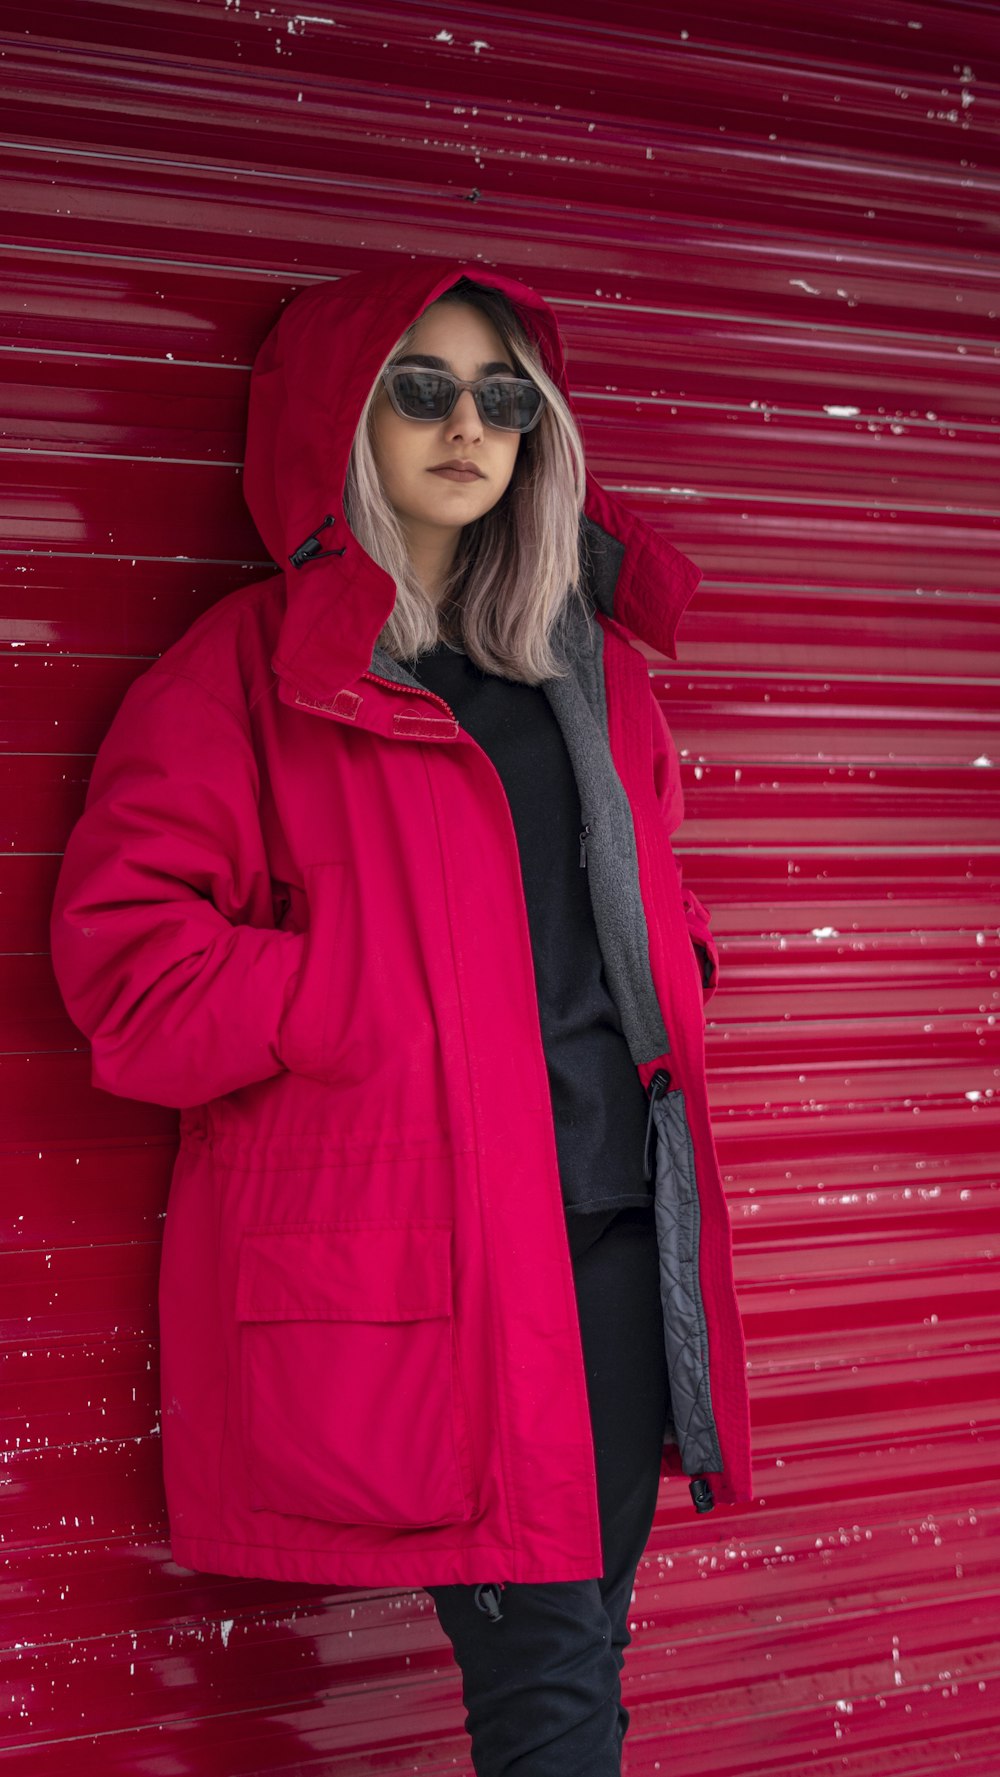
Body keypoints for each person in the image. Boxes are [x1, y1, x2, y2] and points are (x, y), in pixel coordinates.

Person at [49, 259, 753, 1776]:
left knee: (581, 1649)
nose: (465, 424)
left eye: (503, 396)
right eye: (418, 387)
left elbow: (656, 896)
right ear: (340, 422)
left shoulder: (592, 674)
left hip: (626, 1240)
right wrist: (357, 990)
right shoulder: (248, 676)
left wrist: (676, 971)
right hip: (441, 1266)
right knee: (551, 1679)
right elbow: (126, 970)